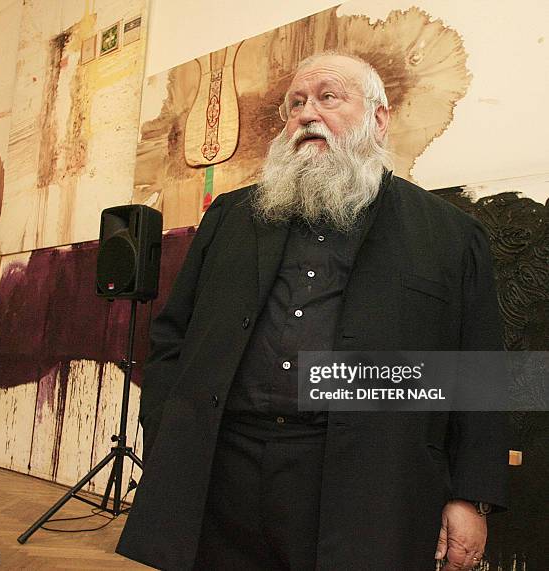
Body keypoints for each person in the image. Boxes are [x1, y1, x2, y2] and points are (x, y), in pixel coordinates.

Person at [116, 52, 508, 570]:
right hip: (222, 476)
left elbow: (481, 377)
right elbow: (172, 338)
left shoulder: (452, 235)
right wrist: (169, 431)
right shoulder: (231, 218)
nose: (306, 113)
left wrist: (470, 497)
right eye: (296, 103)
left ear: (379, 118)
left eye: (328, 96)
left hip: (368, 486)